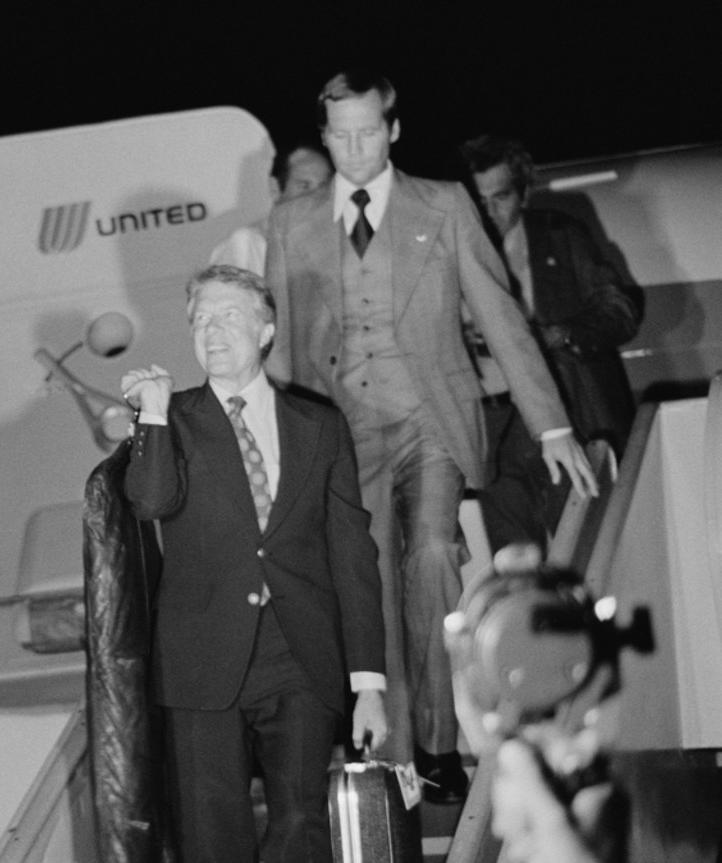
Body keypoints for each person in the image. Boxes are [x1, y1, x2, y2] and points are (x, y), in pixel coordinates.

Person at [264, 70, 599, 803]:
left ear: (393, 129)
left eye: (367, 131)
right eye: (338, 134)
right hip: (342, 431)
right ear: (324, 136)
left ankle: (443, 740)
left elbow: (501, 313)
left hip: (430, 418)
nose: (353, 148)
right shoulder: (290, 223)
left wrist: (552, 424)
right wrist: (280, 450)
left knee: (431, 554)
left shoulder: (443, 206)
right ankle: (400, 756)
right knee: (369, 579)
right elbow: (284, 346)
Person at [122, 264, 387, 862]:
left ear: (266, 330)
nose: (211, 331)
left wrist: (368, 683)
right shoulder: (173, 419)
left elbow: (352, 555)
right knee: (210, 835)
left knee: (301, 825)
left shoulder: (318, 425)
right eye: (201, 320)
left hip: (299, 652)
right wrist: (154, 414)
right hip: (200, 657)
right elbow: (151, 501)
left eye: (229, 315)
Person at [460, 135, 642, 553]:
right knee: (513, 563)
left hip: (570, 419)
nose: (489, 211)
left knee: (584, 550)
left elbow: (620, 311)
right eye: (478, 200)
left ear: (523, 194)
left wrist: (559, 335)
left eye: (500, 196)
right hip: (494, 434)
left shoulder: (561, 235)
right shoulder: (452, 253)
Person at [209, 142, 332, 274]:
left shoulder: (334, 240)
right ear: (275, 188)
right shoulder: (246, 245)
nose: (316, 197)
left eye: (323, 187)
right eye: (304, 186)